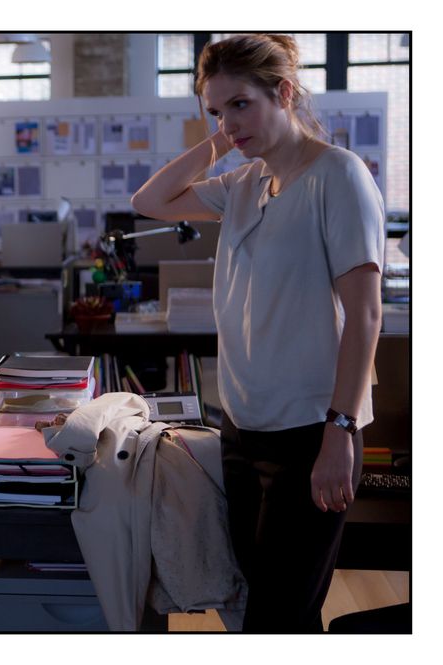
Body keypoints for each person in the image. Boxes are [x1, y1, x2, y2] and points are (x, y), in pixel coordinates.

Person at [131, 34, 384, 632]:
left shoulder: (338, 175)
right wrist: (225, 138)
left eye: (241, 104)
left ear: (284, 93)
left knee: (277, 617)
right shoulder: (244, 183)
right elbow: (150, 200)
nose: (228, 122)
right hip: (242, 428)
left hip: (311, 431)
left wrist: (341, 430)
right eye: (217, 110)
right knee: (265, 611)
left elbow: (366, 315)